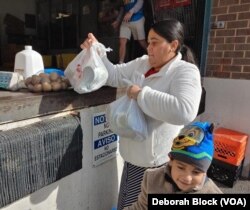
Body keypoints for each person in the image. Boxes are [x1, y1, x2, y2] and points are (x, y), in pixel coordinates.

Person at [81, 18, 202, 209]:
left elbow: (184, 111)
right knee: (126, 204)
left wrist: (140, 94)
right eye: (148, 42)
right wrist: (97, 51)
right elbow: (113, 75)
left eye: (155, 42)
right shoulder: (142, 63)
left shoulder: (185, 71)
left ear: (173, 45)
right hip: (131, 158)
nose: (149, 48)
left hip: (156, 164)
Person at [123, 121, 222, 209]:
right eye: (181, 167)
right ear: (171, 160)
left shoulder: (212, 192)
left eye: (196, 172)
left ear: (205, 171)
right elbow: (142, 206)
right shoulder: (152, 179)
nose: (187, 178)